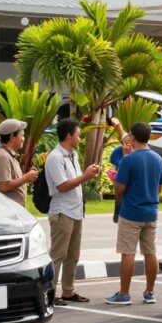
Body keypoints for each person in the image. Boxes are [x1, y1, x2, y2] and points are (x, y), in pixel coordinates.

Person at [106, 122, 162, 305]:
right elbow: (159, 189)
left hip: (131, 212)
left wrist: (116, 179)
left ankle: (124, 294)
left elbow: (120, 189)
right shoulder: (158, 159)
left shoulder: (129, 160)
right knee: (150, 252)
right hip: (151, 212)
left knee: (128, 252)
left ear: (133, 137)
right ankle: (149, 292)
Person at [46, 118, 101, 306]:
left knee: (73, 255)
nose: (79, 138)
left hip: (75, 211)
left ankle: (68, 291)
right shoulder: (55, 157)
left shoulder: (72, 155)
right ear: (68, 135)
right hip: (62, 212)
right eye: (78, 134)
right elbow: (62, 186)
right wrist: (85, 176)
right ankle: (50, 293)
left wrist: (87, 175)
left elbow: (75, 181)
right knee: (58, 254)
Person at [0, 119, 38, 207]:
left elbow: (12, 181)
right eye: (22, 135)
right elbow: (4, 186)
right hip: (7, 211)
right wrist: (25, 178)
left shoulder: (10, 155)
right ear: (12, 137)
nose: (24, 139)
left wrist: (28, 176)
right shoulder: (2, 156)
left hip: (14, 210)